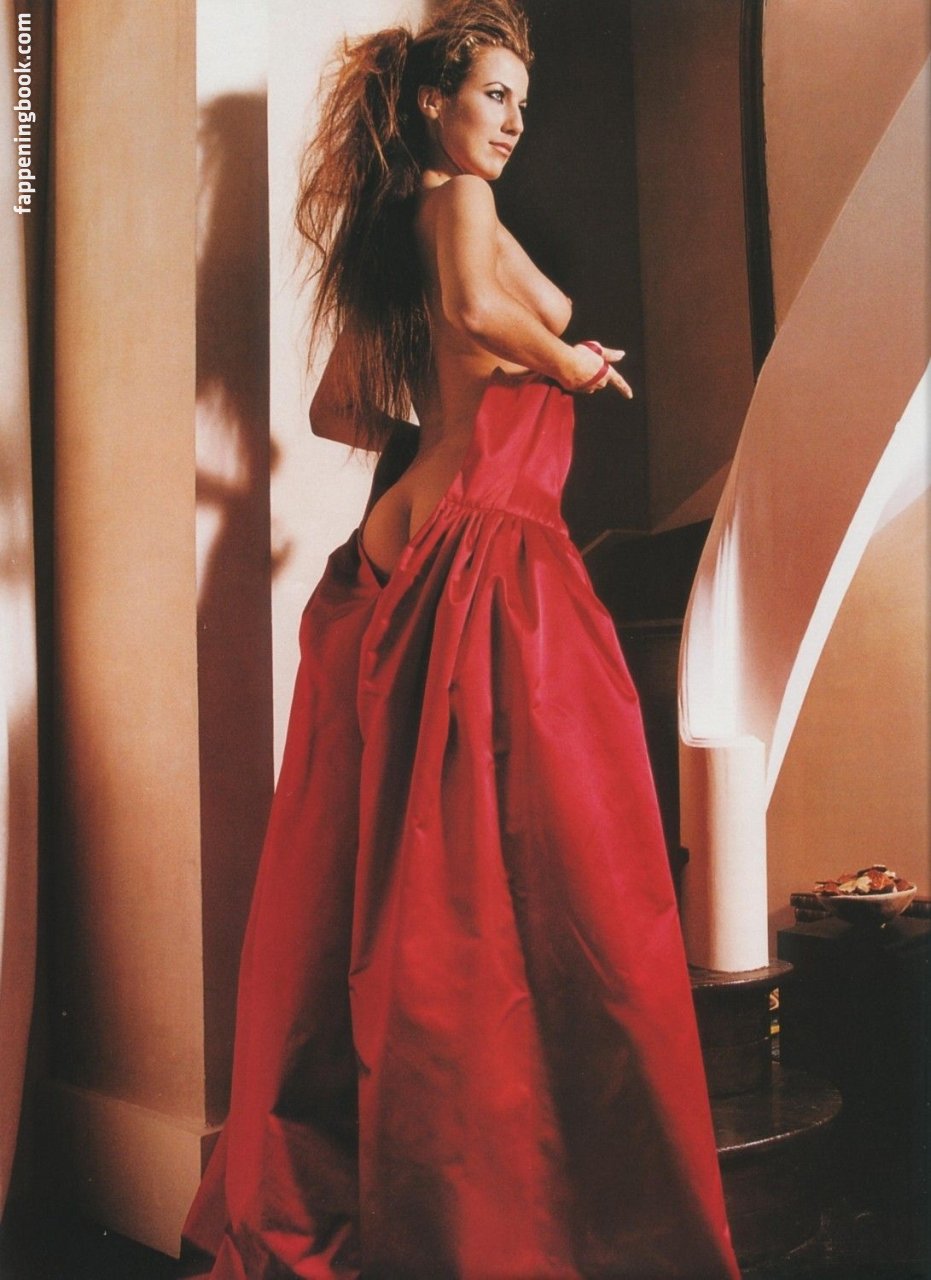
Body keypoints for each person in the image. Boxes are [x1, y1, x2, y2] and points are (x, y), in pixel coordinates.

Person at [183, 2, 741, 1276]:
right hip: (480, 529)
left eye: (522, 105)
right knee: (528, 859)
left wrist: (454, 417)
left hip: (421, 525)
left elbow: (339, 406)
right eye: (493, 95)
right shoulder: (457, 206)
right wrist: (570, 365)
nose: (512, 122)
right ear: (434, 100)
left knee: (432, 860)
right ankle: (506, 1191)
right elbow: (479, 309)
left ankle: (439, 1173)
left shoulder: (412, 220)